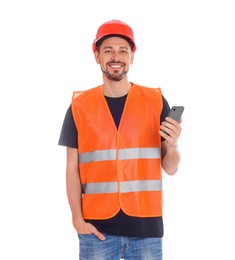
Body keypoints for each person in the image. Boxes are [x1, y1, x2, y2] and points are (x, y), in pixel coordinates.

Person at [58, 19, 182, 260]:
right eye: (108, 51)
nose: (116, 57)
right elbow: (71, 168)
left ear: (132, 57)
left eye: (123, 51)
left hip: (147, 230)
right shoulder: (79, 107)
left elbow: (171, 168)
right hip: (97, 230)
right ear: (97, 56)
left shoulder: (156, 102)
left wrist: (173, 145)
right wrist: (77, 220)